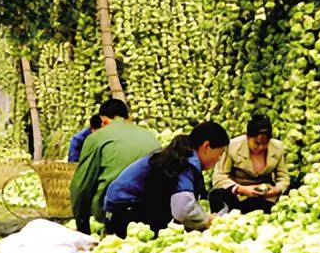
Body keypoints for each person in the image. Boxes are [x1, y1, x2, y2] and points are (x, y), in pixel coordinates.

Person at [103, 121, 230, 238]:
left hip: (122, 208)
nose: (219, 159)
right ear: (206, 146)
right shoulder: (184, 162)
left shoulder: (180, 155)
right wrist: (208, 221)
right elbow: (183, 210)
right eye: (220, 153)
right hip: (125, 212)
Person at [69, 99, 160, 234]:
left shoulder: (97, 138)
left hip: (116, 212)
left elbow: (81, 186)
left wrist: (82, 226)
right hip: (154, 210)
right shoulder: (150, 136)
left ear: (103, 121)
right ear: (128, 117)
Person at [209, 113, 289, 215]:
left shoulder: (277, 147)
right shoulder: (233, 146)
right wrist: (241, 189)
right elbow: (219, 177)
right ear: (247, 137)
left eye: (265, 143)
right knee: (216, 195)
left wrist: (276, 189)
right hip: (239, 196)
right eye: (257, 143)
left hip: (265, 198)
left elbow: (283, 177)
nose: (261, 147)